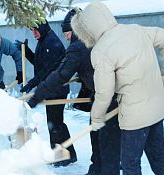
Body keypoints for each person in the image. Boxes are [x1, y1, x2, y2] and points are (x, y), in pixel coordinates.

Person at [71, 1, 164, 175]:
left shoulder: (100, 51)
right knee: (159, 160)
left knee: (130, 164)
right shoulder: (136, 29)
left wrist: (97, 117)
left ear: (88, 29)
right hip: (158, 110)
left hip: (135, 119)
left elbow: (104, 93)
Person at [25, 9, 120, 174]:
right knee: (101, 140)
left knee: (105, 143)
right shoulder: (94, 42)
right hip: (105, 98)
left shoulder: (77, 47)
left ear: (76, 30)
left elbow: (59, 73)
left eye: (67, 32)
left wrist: (37, 94)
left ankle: (96, 166)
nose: (66, 36)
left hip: (107, 100)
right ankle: (97, 169)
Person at [15, 19, 77, 167]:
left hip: (57, 89)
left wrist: (32, 83)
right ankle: (67, 154)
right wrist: (27, 51)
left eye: (36, 29)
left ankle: (62, 156)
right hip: (52, 88)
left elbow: (46, 71)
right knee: (56, 123)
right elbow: (40, 64)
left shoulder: (50, 43)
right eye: (31, 30)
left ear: (43, 28)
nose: (34, 33)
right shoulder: (44, 40)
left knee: (55, 124)